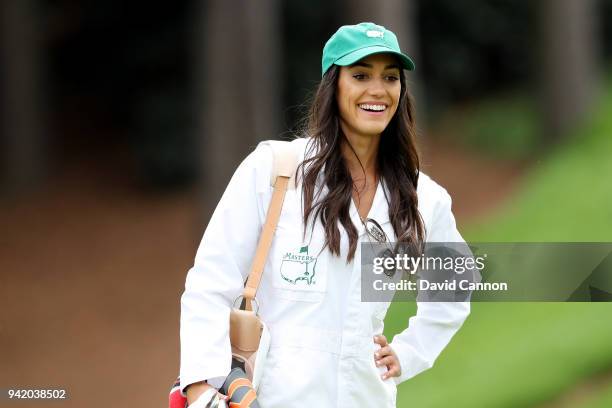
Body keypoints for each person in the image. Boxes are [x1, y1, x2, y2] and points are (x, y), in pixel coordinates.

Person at [180, 22, 470, 407]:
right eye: (361, 75)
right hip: (271, 397)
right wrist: (201, 387)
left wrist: (409, 352)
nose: (377, 90)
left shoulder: (422, 197)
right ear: (333, 85)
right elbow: (211, 281)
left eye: (390, 77)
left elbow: (454, 285)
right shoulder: (275, 170)